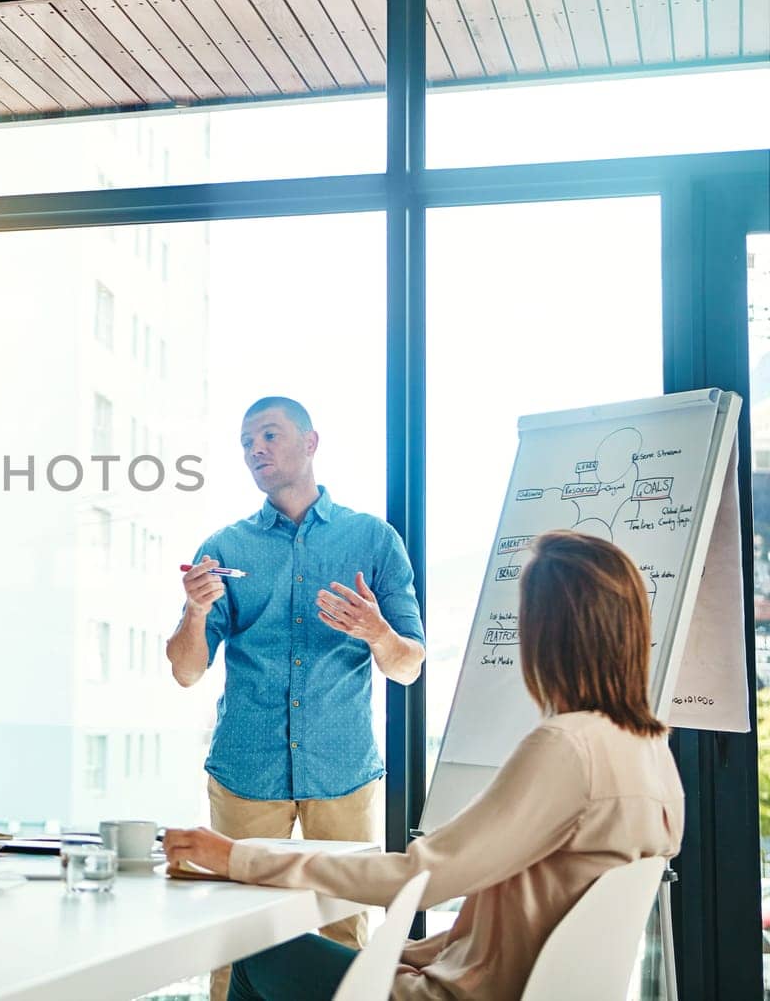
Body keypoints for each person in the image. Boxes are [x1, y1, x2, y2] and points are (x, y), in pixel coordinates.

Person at [163, 530, 685, 1001]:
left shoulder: (567, 748)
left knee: (254, 956)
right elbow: (506, 932)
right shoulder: (650, 752)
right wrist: (403, 954)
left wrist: (239, 858)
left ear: (549, 632)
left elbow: (420, 877)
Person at [167, 396, 426, 954]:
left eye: (268, 435)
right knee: (235, 940)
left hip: (343, 773)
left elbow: (408, 666)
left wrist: (378, 632)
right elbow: (187, 672)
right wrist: (194, 611)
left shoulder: (374, 541)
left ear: (310, 443)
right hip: (246, 773)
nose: (255, 450)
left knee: (345, 936)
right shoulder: (224, 548)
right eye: (245, 443)